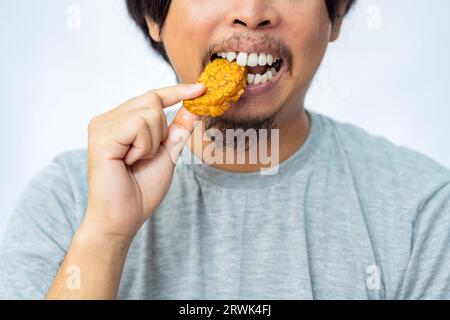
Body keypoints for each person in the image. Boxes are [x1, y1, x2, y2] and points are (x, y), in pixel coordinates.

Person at [1, 0, 449, 300]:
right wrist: (105, 236)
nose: (252, 12)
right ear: (155, 18)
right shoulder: (69, 200)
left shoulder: (422, 210)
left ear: (335, 17)